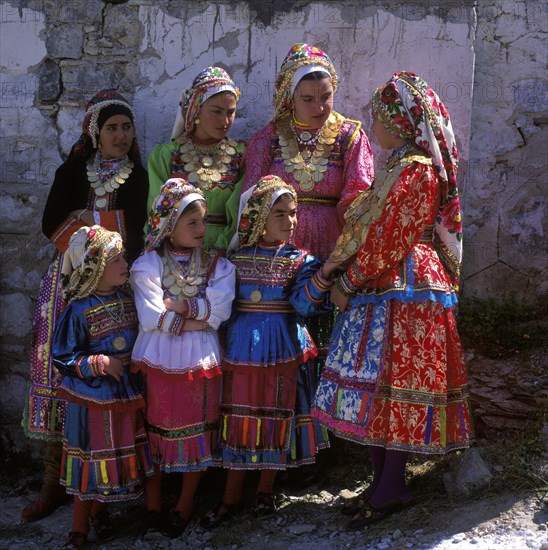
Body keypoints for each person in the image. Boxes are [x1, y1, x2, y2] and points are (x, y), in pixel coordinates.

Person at [312, 71, 474, 528]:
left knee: (397, 385)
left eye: (379, 118)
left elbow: (391, 236)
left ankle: (392, 487)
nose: (373, 126)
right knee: (380, 386)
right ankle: (383, 482)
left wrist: (351, 280)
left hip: (407, 289)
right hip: (389, 287)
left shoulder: (416, 170)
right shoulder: (399, 167)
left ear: (401, 122)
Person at [22, 89, 149, 522]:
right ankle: (52, 482)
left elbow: (135, 233)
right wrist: (98, 230)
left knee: (107, 380)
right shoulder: (75, 169)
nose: (120, 135)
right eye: (111, 127)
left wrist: (86, 222)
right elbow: (51, 222)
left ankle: (103, 482)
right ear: (95, 132)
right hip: (67, 286)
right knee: (58, 371)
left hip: (114, 287)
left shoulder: (138, 176)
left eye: (126, 127)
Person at [200, 175, 336, 529]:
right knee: (238, 415)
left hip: (283, 349)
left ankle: (265, 490)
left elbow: (304, 306)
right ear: (258, 216)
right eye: (279, 214)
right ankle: (230, 496)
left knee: (277, 412)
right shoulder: (233, 258)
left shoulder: (301, 260)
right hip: (241, 349)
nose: (290, 221)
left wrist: (325, 274)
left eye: (293, 213)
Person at [243, 42, 375, 398]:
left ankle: (330, 428)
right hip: (279, 254)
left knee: (329, 334)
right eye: (308, 99)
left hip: (333, 246)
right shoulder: (267, 139)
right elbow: (253, 199)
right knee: (285, 334)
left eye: (326, 96)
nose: (319, 107)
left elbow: (358, 193)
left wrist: (349, 247)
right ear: (289, 96)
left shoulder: (350, 137)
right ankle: (289, 421)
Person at [130, 178, 236, 537]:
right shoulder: (147, 264)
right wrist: (196, 318)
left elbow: (220, 310)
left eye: (203, 221)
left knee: (198, 428)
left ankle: (185, 502)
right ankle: (153, 504)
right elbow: (149, 316)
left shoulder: (218, 266)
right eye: (192, 222)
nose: (202, 230)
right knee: (155, 427)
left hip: (201, 362)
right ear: (168, 225)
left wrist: (181, 309)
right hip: (159, 359)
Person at [52, 225, 152, 548]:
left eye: (123, 257)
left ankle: (100, 512)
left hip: (123, 395)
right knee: (91, 464)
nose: (124, 264)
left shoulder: (128, 299)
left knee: (113, 462)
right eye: (115, 260)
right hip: (93, 401)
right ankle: (78, 529)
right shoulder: (78, 310)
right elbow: (63, 356)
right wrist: (101, 364)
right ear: (94, 267)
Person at [147, 66, 244, 253]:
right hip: (177, 251)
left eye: (230, 112)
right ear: (196, 109)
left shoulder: (241, 155)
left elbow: (241, 210)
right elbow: (155, 212)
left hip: (225, 252)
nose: (224, 121)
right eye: (216, 111)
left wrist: (223, 248)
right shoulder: (166, 155)